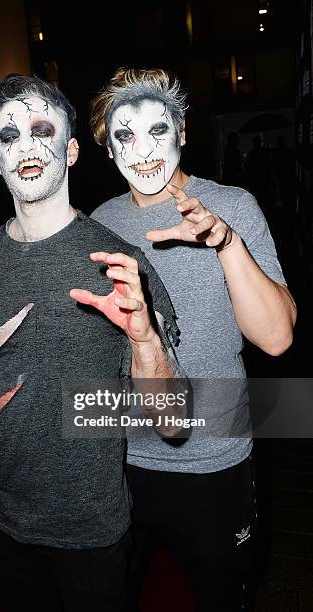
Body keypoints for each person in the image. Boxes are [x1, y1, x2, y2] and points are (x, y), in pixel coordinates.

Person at [0, 74, 186, 612]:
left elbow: (172, 421)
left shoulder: (119, 264)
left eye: (42, 129)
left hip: (90, 531)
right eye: (9, 135)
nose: (26, 145)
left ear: (71, 151)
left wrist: (144, 341)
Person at [90, 67, 297, 612]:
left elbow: (277, 339)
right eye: (124, 136)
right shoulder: (98, 225)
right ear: (108, 151)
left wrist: (226, 242)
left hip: (215, 464)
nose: (143, 150)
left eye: (157, 130)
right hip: (122, 466)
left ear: (182, 131)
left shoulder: (235, 206)